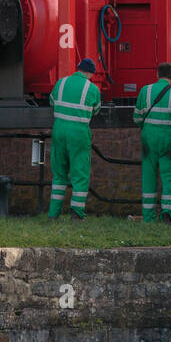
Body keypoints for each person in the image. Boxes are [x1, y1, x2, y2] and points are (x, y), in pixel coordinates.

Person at [47, 58, 101, 220]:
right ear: (90, 73)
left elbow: (51, 102)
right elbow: (96, 110)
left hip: (59, 130)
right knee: (80, 174)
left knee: (58, 175)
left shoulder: (61, 83)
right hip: (78, 133)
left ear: (78, 69)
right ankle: (76, 214)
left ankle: (53, 214)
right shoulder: (92, 88)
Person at [135, 62, 171, 223]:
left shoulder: (145, 91)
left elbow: (137, 118)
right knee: (169, 177)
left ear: (157, 74)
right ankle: (167, 213)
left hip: (149, 138)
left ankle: (148, 216)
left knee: (149, 176)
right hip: (170, 139)